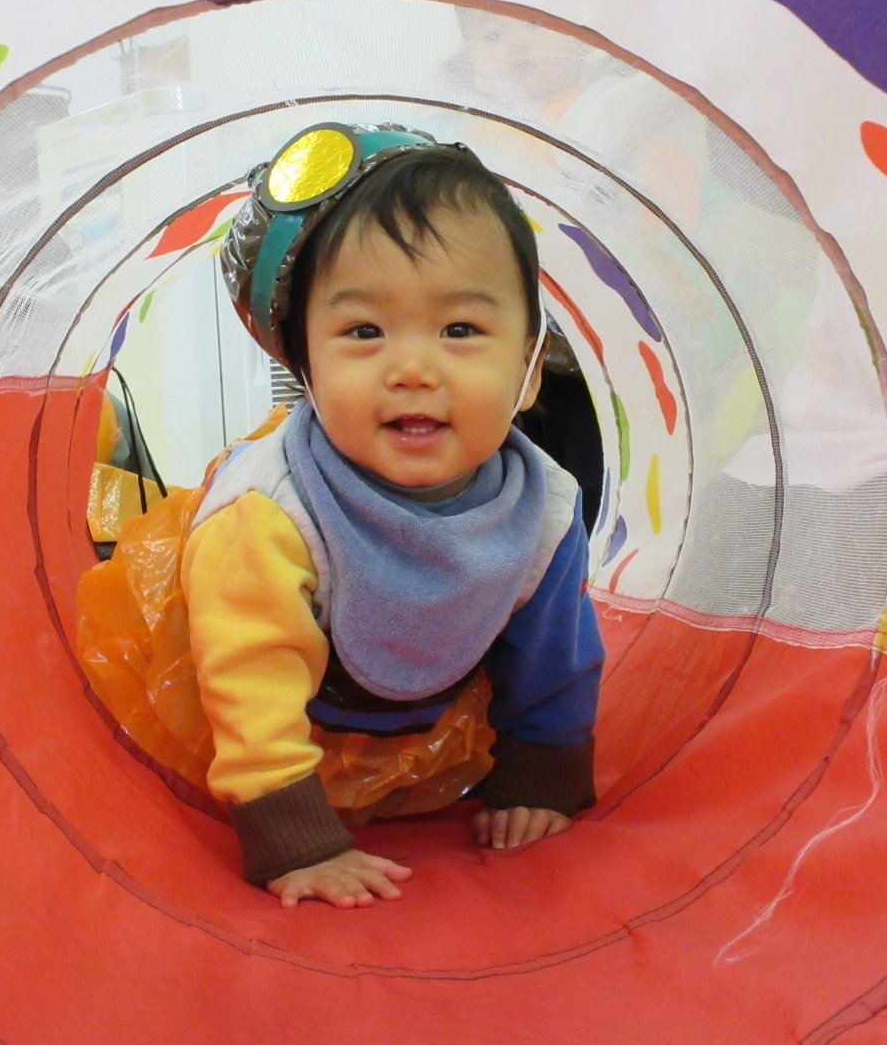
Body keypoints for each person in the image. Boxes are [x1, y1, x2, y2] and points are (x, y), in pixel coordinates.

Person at [184, 122, 603, 908]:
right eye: (364, 332)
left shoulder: (542, 505)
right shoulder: (271, 512)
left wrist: (541, 778)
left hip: (424, 726)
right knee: (238, 669)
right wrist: (292, 839)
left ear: (529, 358)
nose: (412, 369)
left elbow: (557, 654)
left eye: (460, 330)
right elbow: (249, 678)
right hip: (279, 732)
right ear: (304, 364)